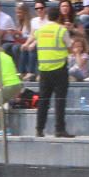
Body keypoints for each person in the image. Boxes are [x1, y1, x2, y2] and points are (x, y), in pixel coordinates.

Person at [33, 7, 75, 138]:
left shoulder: (39, 31)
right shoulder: (61, 30)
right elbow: (70, 48)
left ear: (47, 16)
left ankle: (39, 129)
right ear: (59, 17)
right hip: (59, 68)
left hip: (44, 69)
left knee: (43, 101)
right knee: (60, 100)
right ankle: (59, 129)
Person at [0, 43, 24, 134]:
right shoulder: (7, 56)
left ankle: (4, 129)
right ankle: (5, 128)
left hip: (10, 86)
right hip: (17, 85)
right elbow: (13, 72)